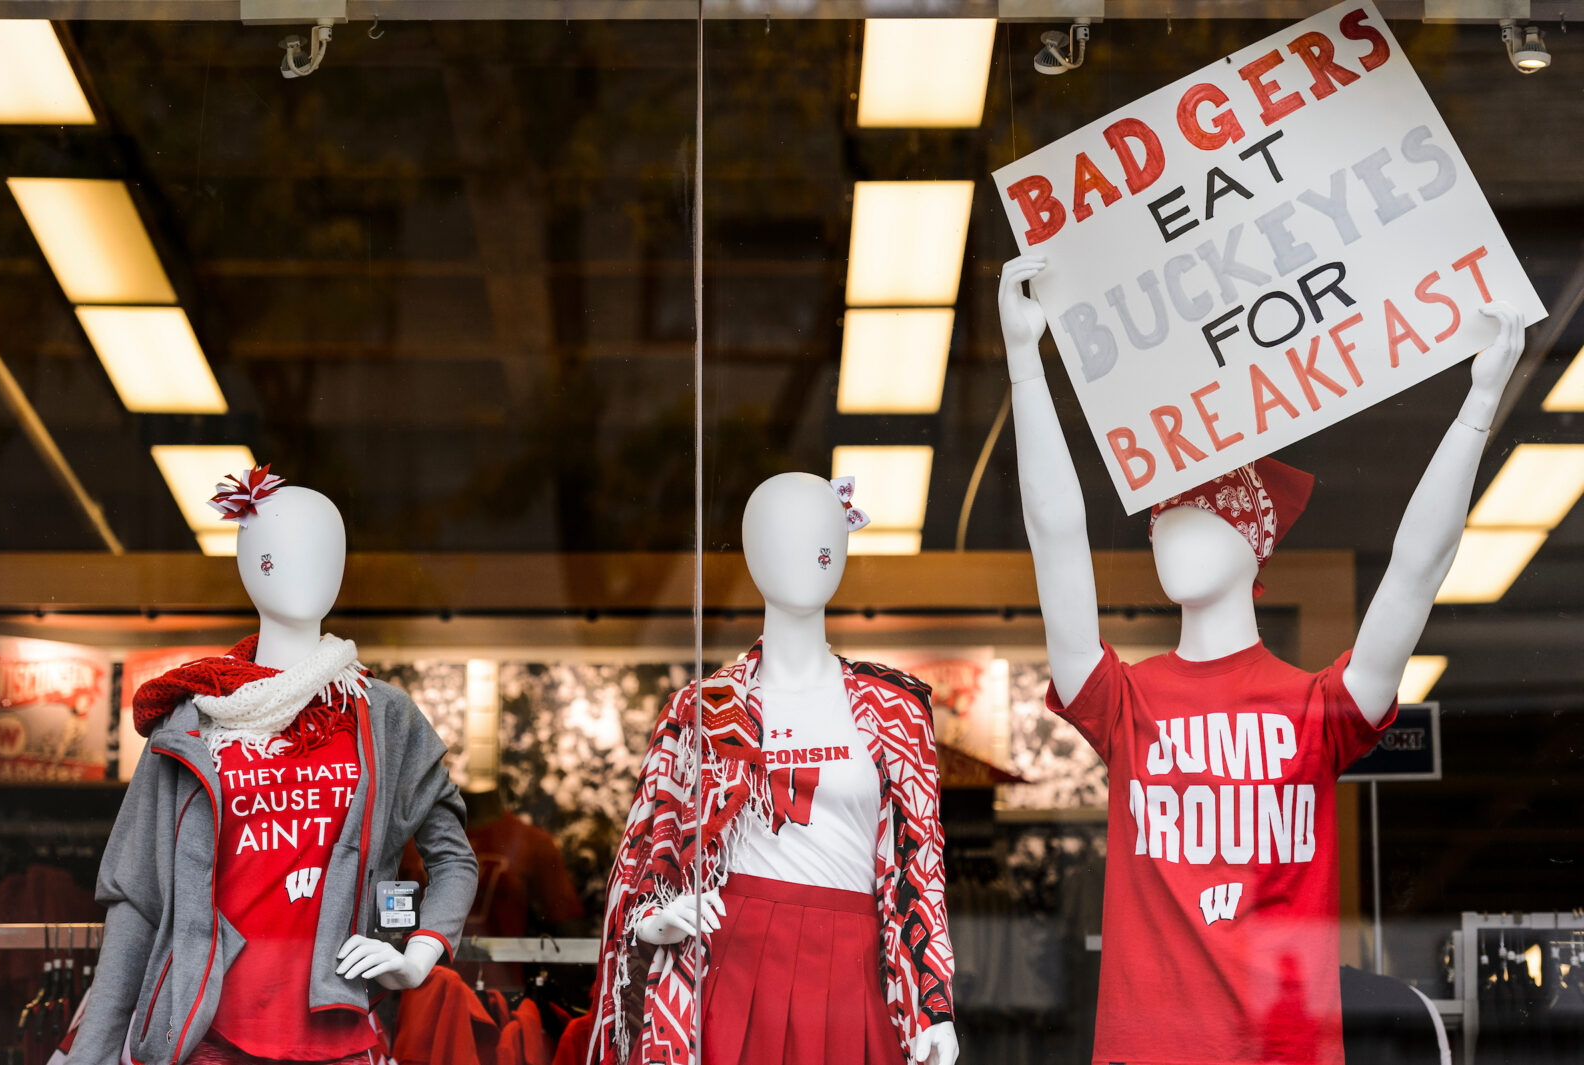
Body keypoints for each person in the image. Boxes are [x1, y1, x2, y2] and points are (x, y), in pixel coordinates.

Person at [997, 253, 1527, 1065]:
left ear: (1254, 542)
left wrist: (1479, 403)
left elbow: (1417, 568)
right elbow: (1055, 534)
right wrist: (1026, 369)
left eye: (1200, 514)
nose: (1170, 527)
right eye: (1162, 515)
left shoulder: (1316, 708)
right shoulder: (1125, 702)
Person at [68, 468, 478, 1065]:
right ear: (249, 565)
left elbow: (452, 858)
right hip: (206, 1036)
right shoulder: (193, 721)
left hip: (338, 1033)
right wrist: (91, 1055)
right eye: (280, 554)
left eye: (325, 554)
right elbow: (137, 899)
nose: (307, 569)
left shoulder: (383, 718)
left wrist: (418, 955)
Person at [589, 473, 958, 1065]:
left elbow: (921, 863)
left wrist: (933, 1005)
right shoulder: (704, 707)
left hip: (853, 965)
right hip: (731, 957)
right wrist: (657, 917)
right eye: (784, 535)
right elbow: (646, 850)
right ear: (754, 555)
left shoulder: (895, 709)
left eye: (823, 536)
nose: (810, 553)